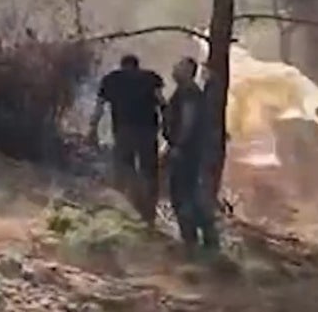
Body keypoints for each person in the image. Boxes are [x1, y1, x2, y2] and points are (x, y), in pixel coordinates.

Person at [88, 54, 165, 224]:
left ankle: (128, 209)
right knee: (149, 171)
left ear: (122, 65)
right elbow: (162, 102)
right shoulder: (150, 78)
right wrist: (168, 126)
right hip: (147, 131)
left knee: (124, 169)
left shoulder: (111, 80)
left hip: (124, 130)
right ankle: (148, 214)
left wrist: (92, 128)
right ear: (137, 66)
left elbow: (99, 106)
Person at [164, 57, 219, 255]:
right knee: (187, 195)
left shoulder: (188, 92)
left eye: (178, 67)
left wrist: (179, 145)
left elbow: (188, 120)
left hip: (187, 153)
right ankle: (200, 242)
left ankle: (194, 242)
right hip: (188, 151)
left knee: (184, 195)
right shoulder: (186, 92)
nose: (174, 70)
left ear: (188, 71)